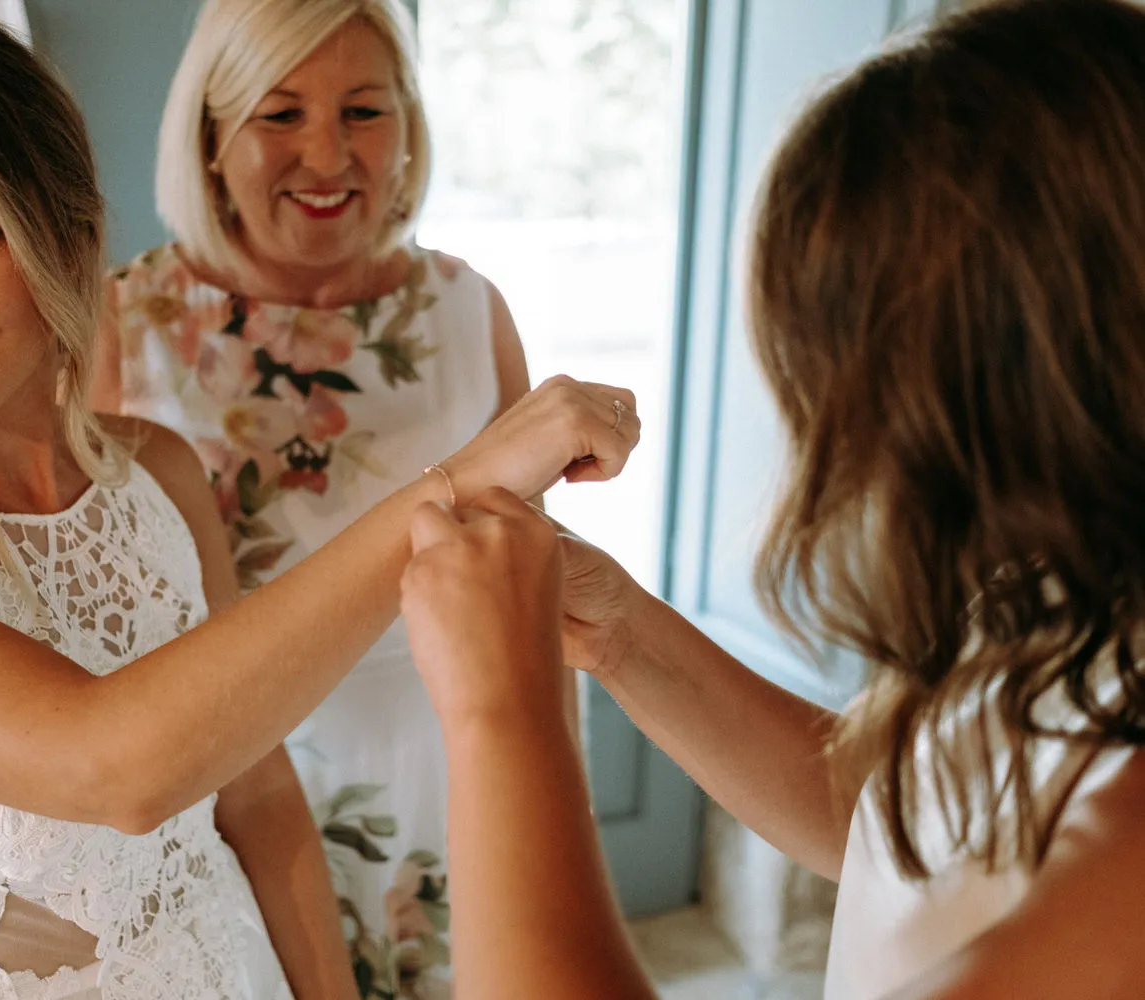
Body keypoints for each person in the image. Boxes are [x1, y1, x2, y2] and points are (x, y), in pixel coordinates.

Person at [0, 7, 639, 999]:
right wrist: (462, 481)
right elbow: (117, 767)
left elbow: (256, 794)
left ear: (65, 226)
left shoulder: (158, 472)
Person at [398, 1, 1145, 998]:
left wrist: (502, 713)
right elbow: (889, 823)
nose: (832, 433)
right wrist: (621, 630)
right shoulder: (1065, 573)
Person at [87, 0, 550, 990]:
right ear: (212, 136)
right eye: (281, 113)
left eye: (366, 112)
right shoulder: (123, 327)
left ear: (410, 126)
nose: (330, 157)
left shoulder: (472, 312)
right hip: (238, 799)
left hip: (455, 781)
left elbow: (528, 588)